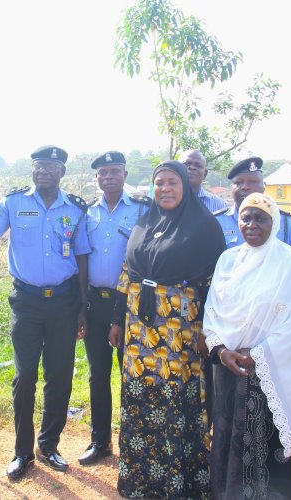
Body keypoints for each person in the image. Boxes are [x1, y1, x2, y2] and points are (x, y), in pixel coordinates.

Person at [109, 160, 225, 498]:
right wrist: (118, 320)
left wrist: (208, 330)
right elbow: (127, 273)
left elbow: (216, 286)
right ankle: (140, 480)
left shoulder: (204, 227)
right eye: (159, 183)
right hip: (138, 335)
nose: (165, 189)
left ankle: (178, 483)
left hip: (181, 335)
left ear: (185, 187)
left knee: (176, 405)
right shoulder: (144, 223)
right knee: (140, 399)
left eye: (172, 182)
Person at [0, 145, 91, 480]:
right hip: (26, 302)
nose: (43, 171)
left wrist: (83, 306)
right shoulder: (14, 203)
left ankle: (48, 445)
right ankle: (22, 452)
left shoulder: (75, 208)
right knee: (25, 375)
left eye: (50, 166)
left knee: (59, 375)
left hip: (64, 302)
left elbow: (81, 256)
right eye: (38, 165)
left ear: (62, 173)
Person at [204, 192, 291, 499]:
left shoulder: (290, 262)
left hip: (272, 370)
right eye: (245, 217)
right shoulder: (228, 260)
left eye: (260, 218)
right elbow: (212, 312)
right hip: (229, 369)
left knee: (265, 444)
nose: (251, 224)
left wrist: (257, 355)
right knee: (230, 440)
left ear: (274, 222)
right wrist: (222, 351)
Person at [79, 151, 149, 465]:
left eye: (114, 171)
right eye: (102, 173)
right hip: (96, 303)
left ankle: (134, 443)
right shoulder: (86, 212)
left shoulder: (142, 210)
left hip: (130, 306)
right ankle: (100, 442)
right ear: (97, 178)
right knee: (98, 376)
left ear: (124, 173)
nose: (108, 177)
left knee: (130, 374)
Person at [214, 156, 291, 264]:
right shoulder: (217, 222)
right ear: (231, 187)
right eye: (239, 182)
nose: (245, 187)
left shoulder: (286, 223)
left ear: (264, 186)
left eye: (253, 181)